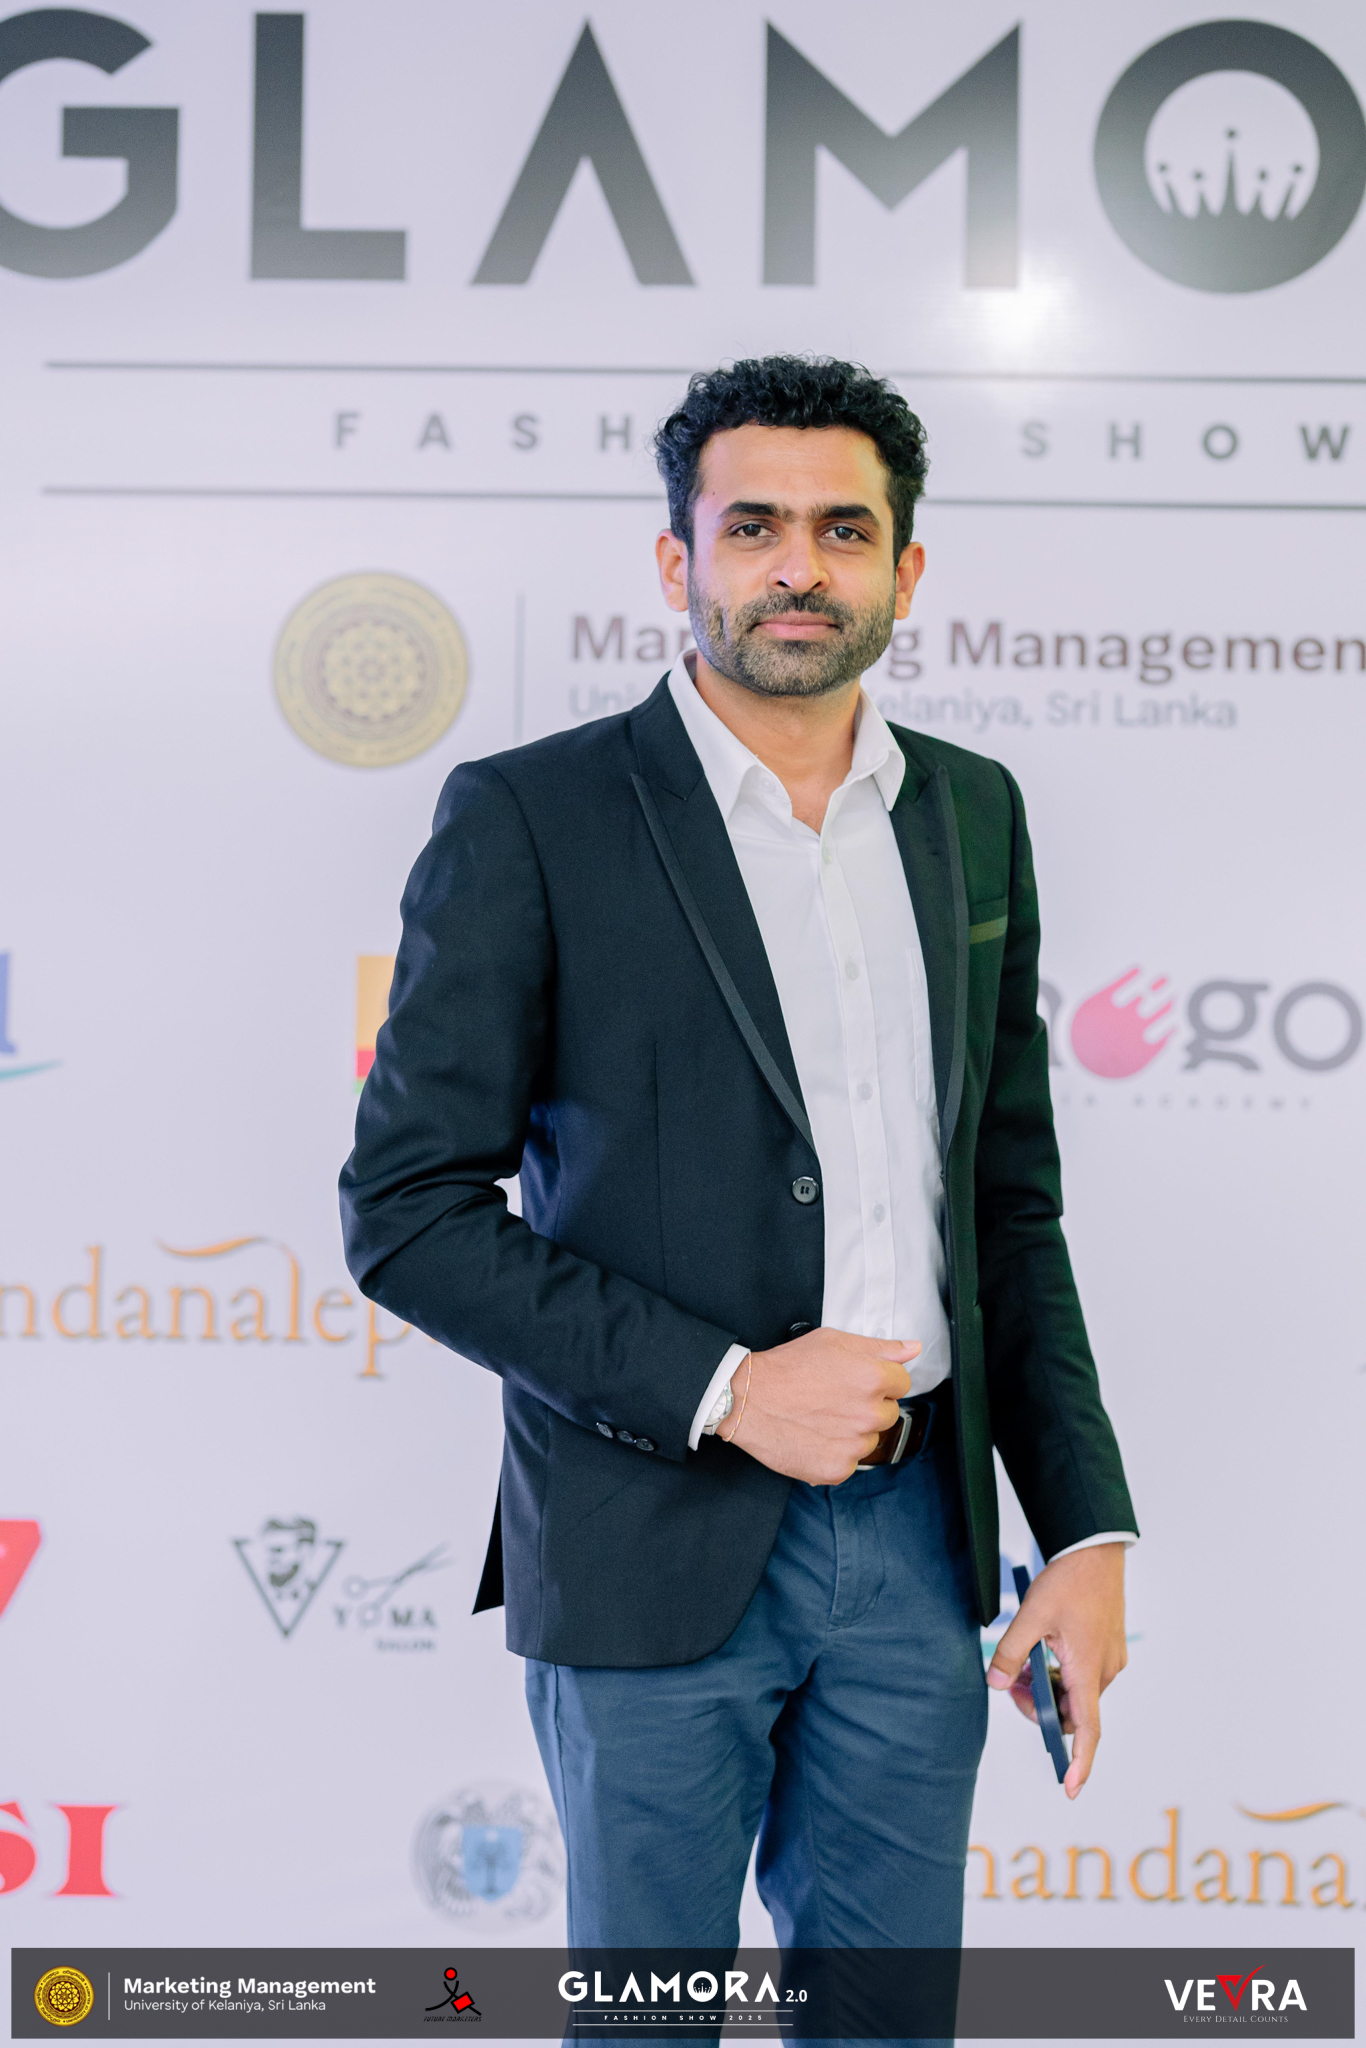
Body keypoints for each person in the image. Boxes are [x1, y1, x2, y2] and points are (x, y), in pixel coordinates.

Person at [340, 357, 1137, 1959]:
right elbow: (406, 1210)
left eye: (843, 531)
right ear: (676, 561)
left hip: (919, 1546)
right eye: (751, 526)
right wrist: (725, 1386)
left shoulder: (972, 813)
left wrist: (1084, 1532)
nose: (796, 568)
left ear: (904, 569)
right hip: (644, 1535)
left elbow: (1005, 1207)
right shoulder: (531, 815)